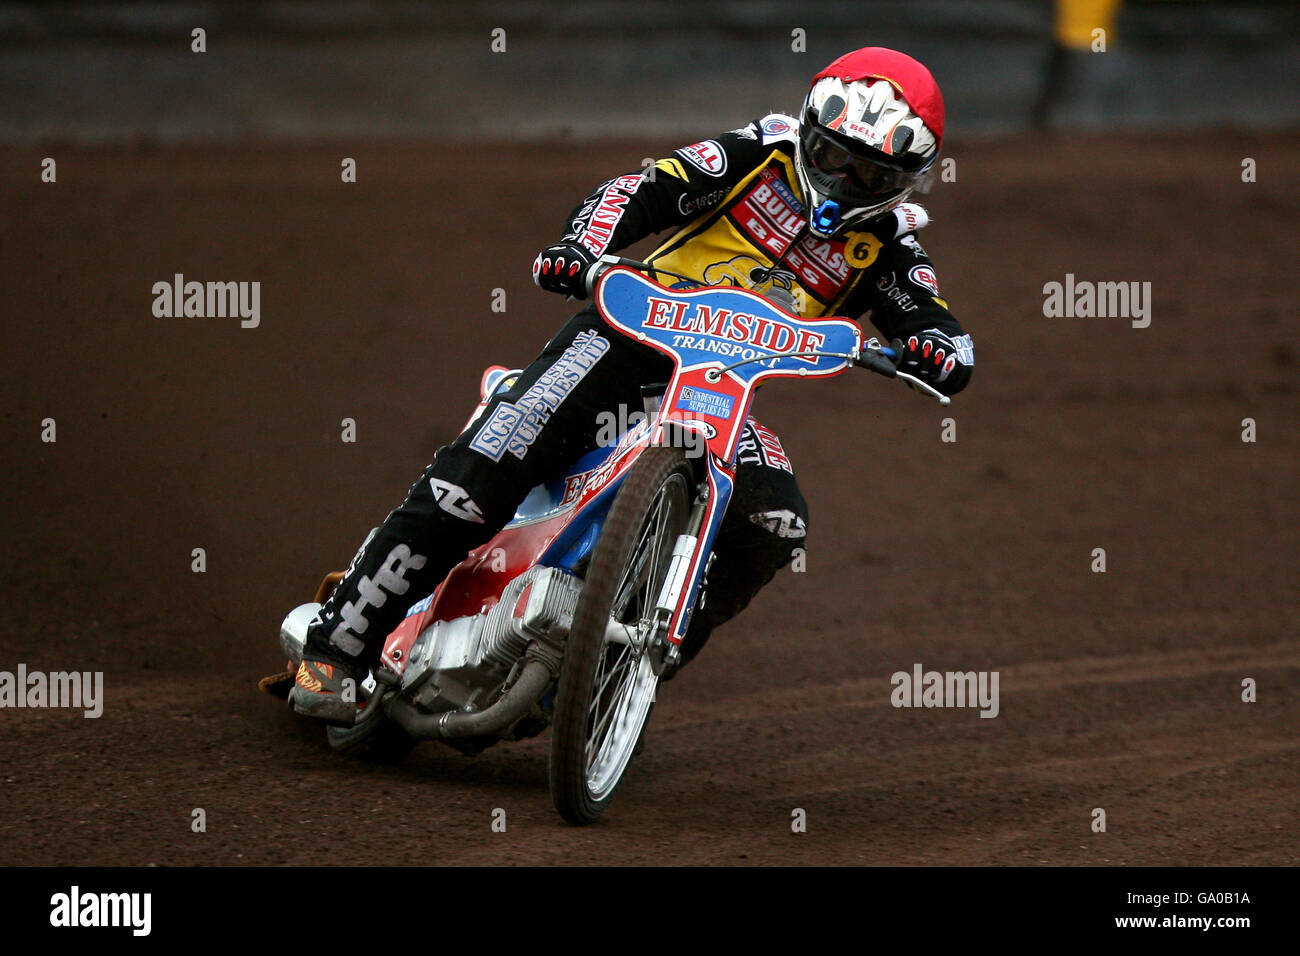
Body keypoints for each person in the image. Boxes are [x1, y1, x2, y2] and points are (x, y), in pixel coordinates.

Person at [290, 46, 975, 725]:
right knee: (481, 473)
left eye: (868, 173)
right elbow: (639, 190)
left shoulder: (890, 247)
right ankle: (337, 646)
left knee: (777, 521)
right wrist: (582, 249)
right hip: (621, 343)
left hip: (719, 395)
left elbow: (937, 324)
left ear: (905, 179)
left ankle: (626, 674)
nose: (842, 180)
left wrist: (933, 350)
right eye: (831, 157)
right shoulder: (753, 154)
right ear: (808, 132)